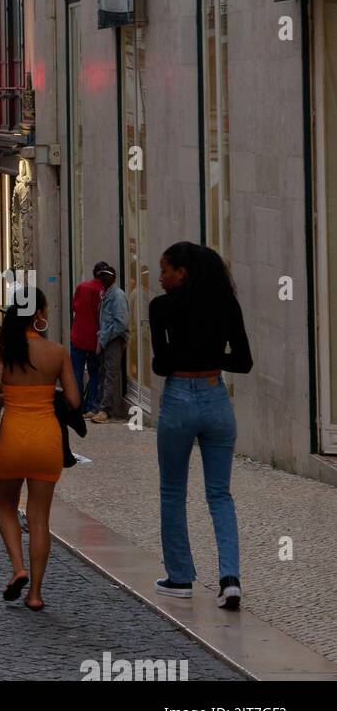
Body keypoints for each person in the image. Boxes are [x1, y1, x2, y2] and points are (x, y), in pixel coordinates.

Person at [150, 242, 253, 611]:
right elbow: (243, 361)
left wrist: (183, 354)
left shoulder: (161, 308)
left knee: (173, 491)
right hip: (215, 396)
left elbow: (160, 365)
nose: (159, 278)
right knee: (220, 494)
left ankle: (179, 578)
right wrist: (210, 355)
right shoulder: (226, 305)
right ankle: (230, 580)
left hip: (179, 397)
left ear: (183, 272)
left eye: (165, 270)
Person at [0, 288, 78, 612]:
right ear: (39, 315)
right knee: (39, 519)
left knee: (6, 508)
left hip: (12, 437)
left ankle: (17, 568)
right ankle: (35, 593)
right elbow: (75, 402)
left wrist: (9, 395)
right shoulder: (57, 352)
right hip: (46, 438)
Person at [90, 263, 129, 423]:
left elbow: (121, 323)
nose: (102, 280)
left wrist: (105, 336)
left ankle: (105, 410)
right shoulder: (105, 294)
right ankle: (98, 407)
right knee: (103, 374)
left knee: (110, 376)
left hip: (114, 340)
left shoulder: (117, 296)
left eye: (105, 277)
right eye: (101, 277)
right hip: (106, 339)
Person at [69, 264, 105, 414]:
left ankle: (77, 406)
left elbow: (75, 307)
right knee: (94, 373)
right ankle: (91, 406)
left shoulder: (82, 287)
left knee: (76, 372)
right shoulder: (103, 292)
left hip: (78, 335)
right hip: (94, 339)